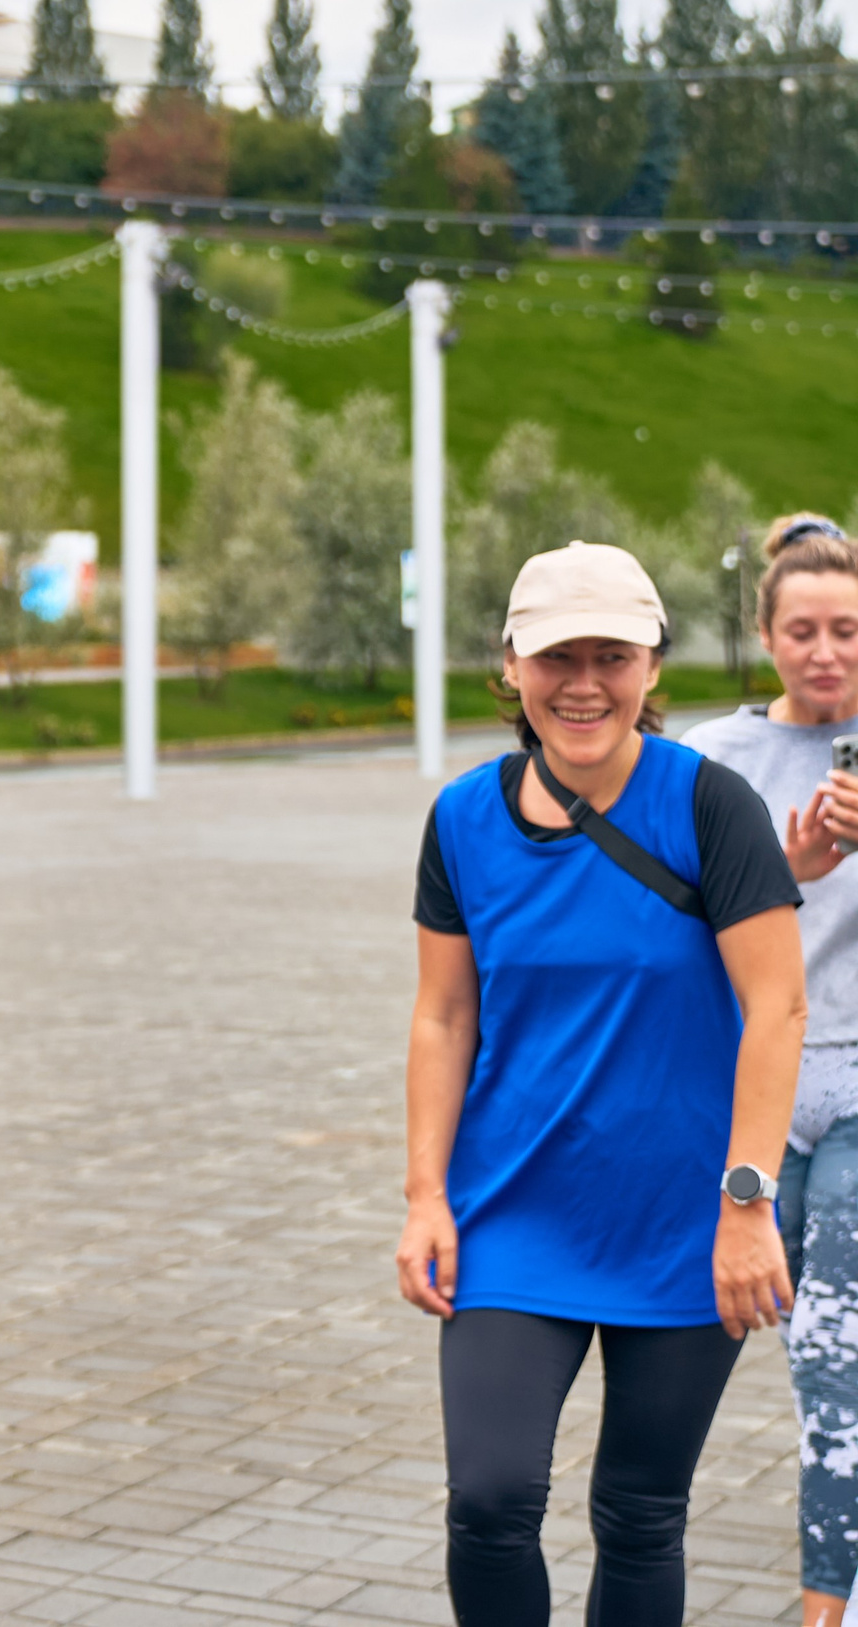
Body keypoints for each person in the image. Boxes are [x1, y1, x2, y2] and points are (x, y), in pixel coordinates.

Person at [397, 540, 806, 1627]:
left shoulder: (709, 805)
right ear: (512, 665)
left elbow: (778, 1008)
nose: (583, 685)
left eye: (611, 657)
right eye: (557, 657)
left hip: (685, 1219)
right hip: (511, 1213)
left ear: (652, 666)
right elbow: (443, 1016)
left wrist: (747, 1203)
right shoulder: (461, 820)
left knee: (638, 1511)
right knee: (489, 1501)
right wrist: (425, 1196)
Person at [682, 513, 858, 1627]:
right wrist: (781, 875)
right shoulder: (713, 759)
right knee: (796, 1353)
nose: (826, 652)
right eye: (803, 631)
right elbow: (671, 935)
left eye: (848, 630)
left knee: (833, 1355)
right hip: (756, 1090)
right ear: (765, 635)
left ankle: (823, 1606)